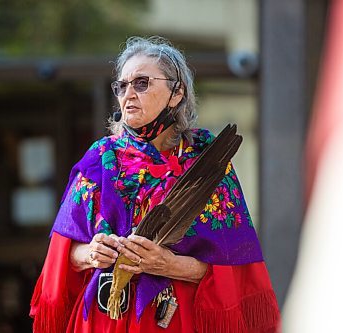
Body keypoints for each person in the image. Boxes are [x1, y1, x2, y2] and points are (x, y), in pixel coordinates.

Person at [30, 36, 280, 333]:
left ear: (177, 93)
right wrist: (91, 254)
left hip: (176, 320)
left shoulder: (207, 161)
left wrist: (167, 264)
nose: (128, 94)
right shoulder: (100, 157)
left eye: (141, 83)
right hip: (104, 318)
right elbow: (65, 255)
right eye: (121, 86)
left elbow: (234, 268)